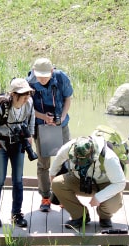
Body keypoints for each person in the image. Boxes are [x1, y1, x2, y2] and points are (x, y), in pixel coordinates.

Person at [0, 78, 35, 228]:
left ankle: (16, 214)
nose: (26, 98)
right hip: (1, 145)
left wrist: (30, 135)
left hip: (18, 144)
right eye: (23, 95)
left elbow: (32, 119)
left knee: (18, 181)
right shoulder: (2, 108)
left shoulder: (28, 104)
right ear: (13, 95)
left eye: (28, 94)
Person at [50, 134, 126, 229]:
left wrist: (99, 197)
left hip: (104, 184)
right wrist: (56, 191)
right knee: (57, 184)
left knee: (113, 203)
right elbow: (55, 166)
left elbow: (120, 183)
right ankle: (80, 216)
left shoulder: (109, 157)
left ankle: (104, 217)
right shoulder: (69, 147)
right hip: (79, 180)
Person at [27, 57, 73, 212]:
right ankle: (45, 196)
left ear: (52, 71)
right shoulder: (28, 83)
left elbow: (68, 98)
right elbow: (26, 108)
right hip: (41, 126)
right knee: (43, 163)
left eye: (46, 76)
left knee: (66, 160)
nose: (42, 79)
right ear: (34, 72)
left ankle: (64, 196)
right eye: (39, 76)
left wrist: (63, 116)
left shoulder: (61, 78)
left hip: (62, 125)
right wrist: (43, 117)